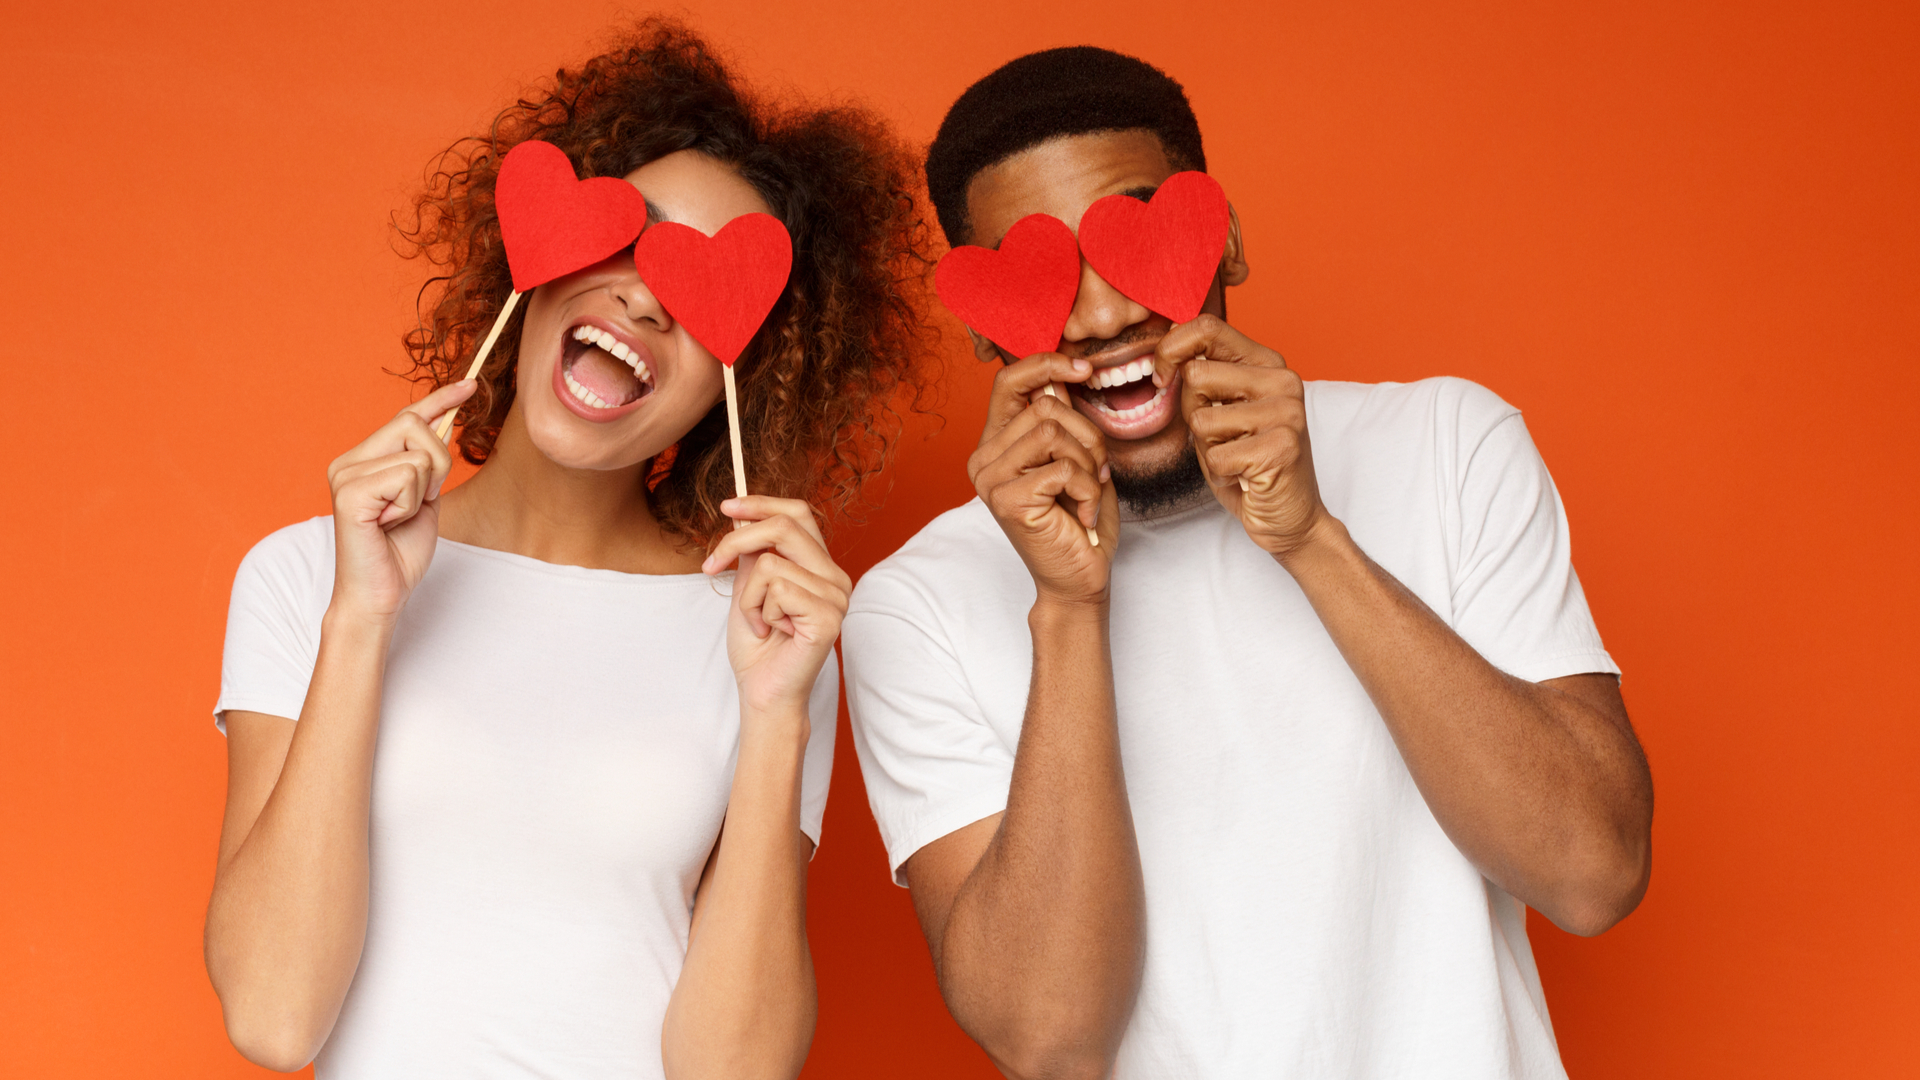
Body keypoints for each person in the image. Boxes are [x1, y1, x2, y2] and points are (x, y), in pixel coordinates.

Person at [843, 46, 1653, 1079]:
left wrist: (1310, 539)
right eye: (1042, 274)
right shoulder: (915, 605)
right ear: (982, 330)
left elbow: (1594, 875)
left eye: (1132, 243)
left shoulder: (1448, 445)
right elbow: (1049, 1037)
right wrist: (1067, 605)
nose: (1101, 319)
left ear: (1222, 239)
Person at [203, 21, 930, 1079]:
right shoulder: (308, 575)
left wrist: (777, 712)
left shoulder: (761, 633)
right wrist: (362, 620)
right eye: (629, 239)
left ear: (742, 380)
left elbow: (737, 1071)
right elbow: (273, 1017)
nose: (643, 293)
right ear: (537, 264)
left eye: (700, 284)